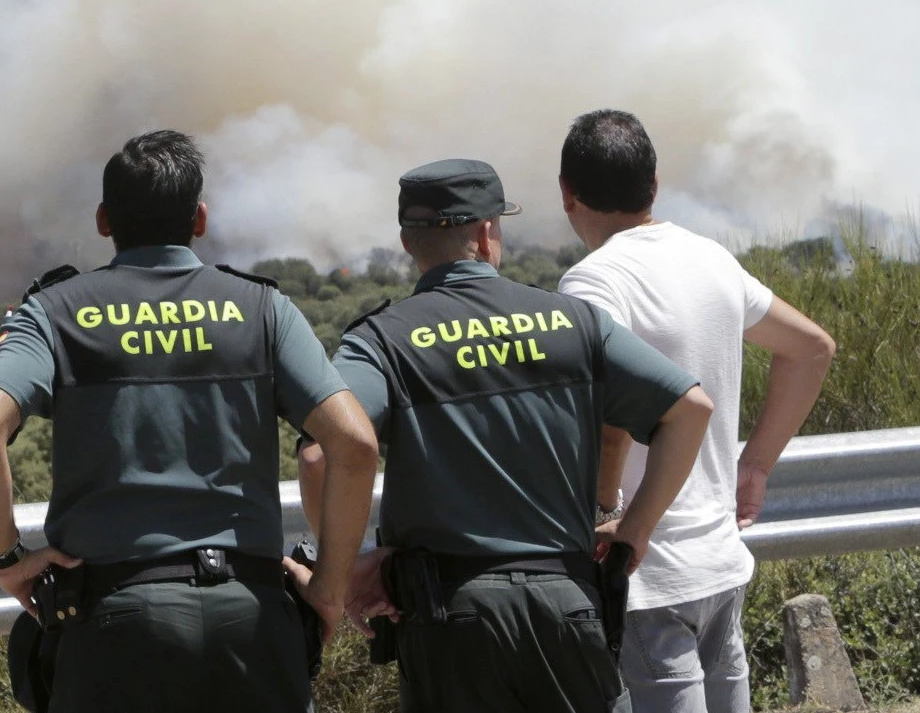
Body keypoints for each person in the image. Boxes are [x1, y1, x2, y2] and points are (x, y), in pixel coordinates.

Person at [0, 130, 380, 713]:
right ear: (199, 219)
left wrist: (7, 561)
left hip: (114, 626)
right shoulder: (261, 309)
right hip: (249, 619)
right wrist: (330, 589)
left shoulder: (55, 312)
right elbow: (353, 443)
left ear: (104, 221)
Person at [299, 158, 716, 713]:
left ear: (407, 240)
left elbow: (320, 456)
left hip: (452, 620)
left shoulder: (380, 342)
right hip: (569, 609)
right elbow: (690, 408)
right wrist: (634, 529)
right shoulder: (573, 322)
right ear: (488, 231)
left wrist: (347, 569)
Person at [555, 110, 837, 713]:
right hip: (719, 559)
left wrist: (609, 516)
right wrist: (755, 466)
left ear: (566, 194)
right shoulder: (711, 259)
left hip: (645, 573)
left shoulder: (591, 284)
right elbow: (812, 349)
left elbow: (610, 426)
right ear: (653, 186)